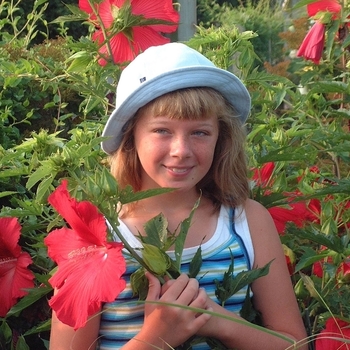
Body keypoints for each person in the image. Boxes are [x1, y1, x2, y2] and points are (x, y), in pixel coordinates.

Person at [49, 42, 308, 350]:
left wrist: (218, 320)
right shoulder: (95, 238)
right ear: (131, 136)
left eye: (200, 132)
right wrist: (156, 337)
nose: (181, 151)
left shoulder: (247, 221)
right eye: (162, 131)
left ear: (220, 139)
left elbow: (295, 344)